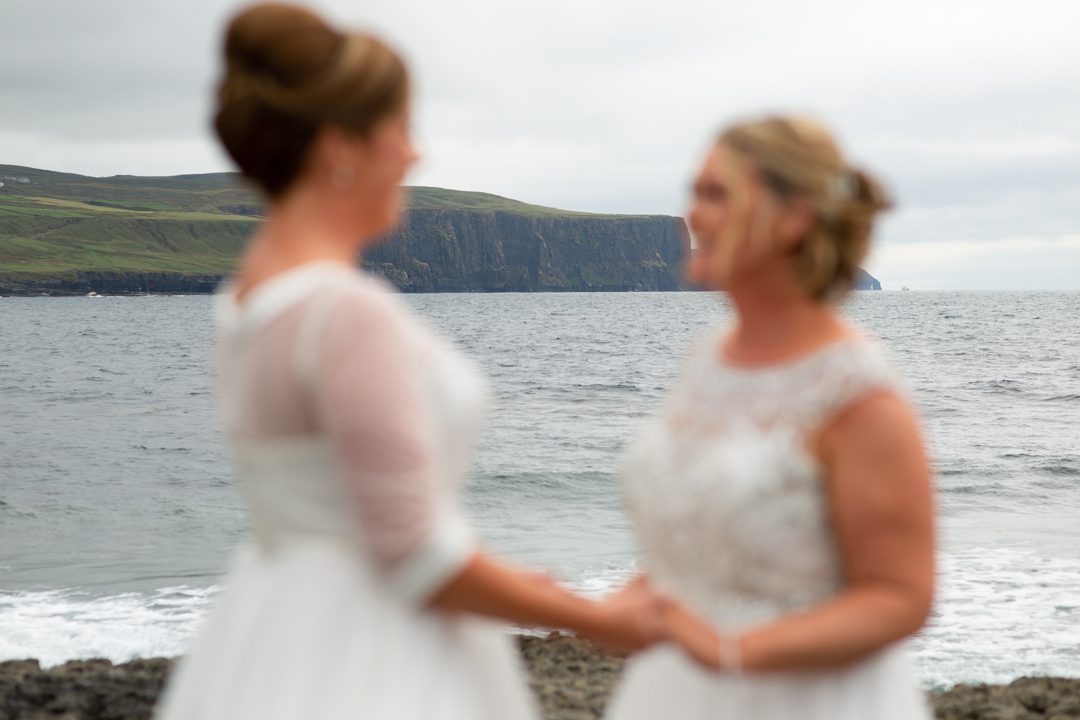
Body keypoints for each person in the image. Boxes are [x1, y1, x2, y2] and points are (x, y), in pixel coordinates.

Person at [155, 4, 668, 719]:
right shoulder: (342, 312)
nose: (414, 156)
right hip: (372, 643)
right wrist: (594, 615)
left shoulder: (246, 298)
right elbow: (412, 550)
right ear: (340, 147)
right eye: (401, 129)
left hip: (272, 623)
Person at [606, 115, 936, 719]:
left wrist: (732, 650)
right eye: (694, 193)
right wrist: (627, 603)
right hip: (669, 688)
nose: (692, 216)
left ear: (794, 218)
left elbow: (901, 596)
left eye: (716, 194)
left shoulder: (858, 395)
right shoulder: (707, 361)